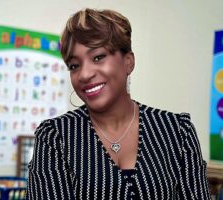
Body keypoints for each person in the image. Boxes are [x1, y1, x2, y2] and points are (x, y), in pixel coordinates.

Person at [27, 8, 211, 199]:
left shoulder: (177, 132)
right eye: (74, 65)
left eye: (98, 57)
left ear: (128, 62)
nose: (84, 74)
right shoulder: (55, 136)